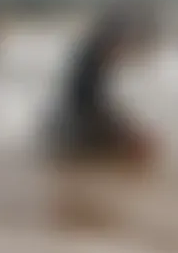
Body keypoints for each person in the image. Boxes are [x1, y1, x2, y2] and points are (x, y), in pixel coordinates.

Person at [44, 10, 155, 166]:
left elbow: (97, 106)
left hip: (67, 129)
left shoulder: (91, 60)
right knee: (142, 152)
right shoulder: (92, 64)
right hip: (72, 134)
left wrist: (129, 130)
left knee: (140, 145)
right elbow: (89, 109)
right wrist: (129, 135)